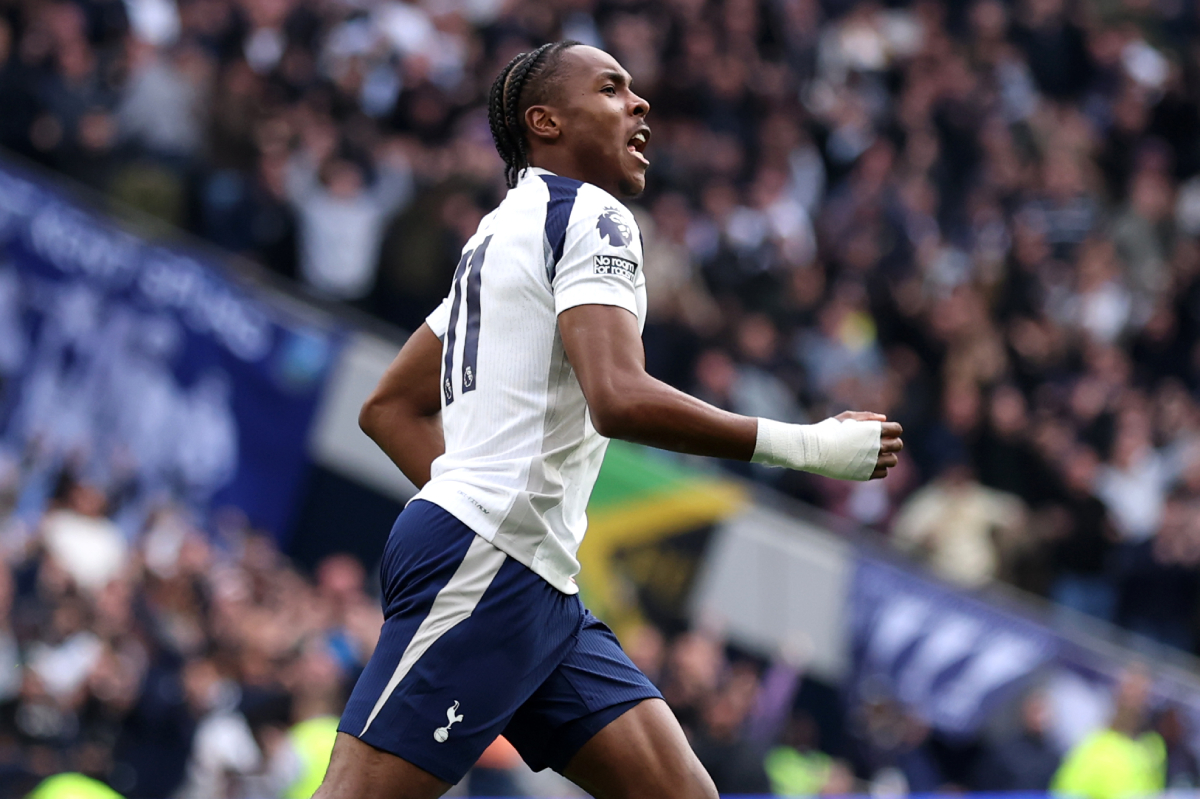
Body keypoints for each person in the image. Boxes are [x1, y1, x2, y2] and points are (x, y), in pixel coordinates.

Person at [316, 41, 903, 799]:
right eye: (611, 88)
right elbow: (618, 397)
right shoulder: (592, 215)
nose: (640, 102)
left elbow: (387, 409)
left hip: (535, 583)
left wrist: (493, 515)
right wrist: (808, 446)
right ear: (546, 121)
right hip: (491, 564)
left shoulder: (496, 236)